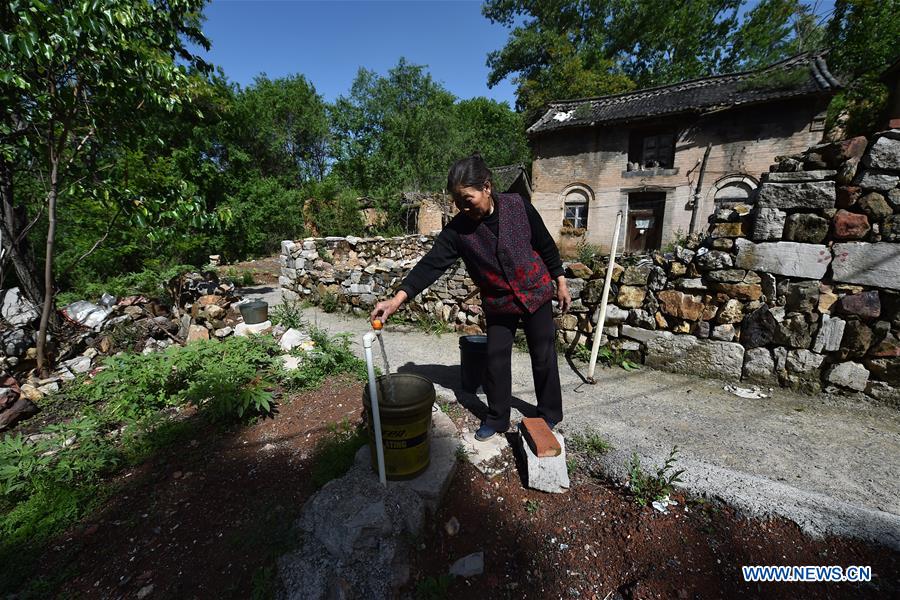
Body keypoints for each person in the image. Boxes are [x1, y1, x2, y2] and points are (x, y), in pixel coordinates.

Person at [370, 154, 571, 441]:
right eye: (457, 201)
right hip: (500, 302)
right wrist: (396, 300)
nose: (463, 207)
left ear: (487, 187)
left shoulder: (518, 206)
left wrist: (560, 282)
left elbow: (545, 244)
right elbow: (431, 265)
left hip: (536, 291)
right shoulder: (457, 231)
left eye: (468, 198)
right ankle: (498, 418)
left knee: (543, 355)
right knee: (495, 359)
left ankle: (549, 413)